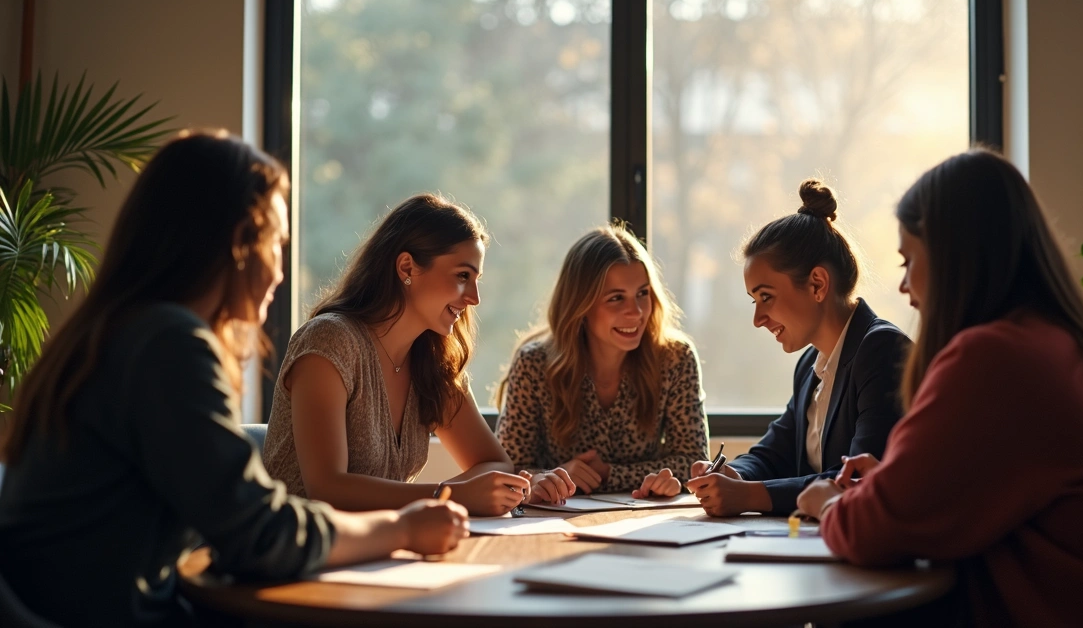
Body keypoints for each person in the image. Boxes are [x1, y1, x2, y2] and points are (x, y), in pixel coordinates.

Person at [0, 131, 468, 627]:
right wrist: (401, 529)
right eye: (276, 245)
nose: (280, 272)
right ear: (239, 243)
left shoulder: (117, 330)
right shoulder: (168, 343)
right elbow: (257, 534)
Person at [796, 149, 1083, 626]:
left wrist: (828, 503)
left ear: (952, 257)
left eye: (909, 261)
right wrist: (895, 477)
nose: (904, 286)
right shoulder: (1058, 345)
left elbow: (876, 531)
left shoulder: (995, 359)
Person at [262, 194, 530, 517]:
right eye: (462, 276)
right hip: (301, 555)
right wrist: (450, 496)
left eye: (476, 280)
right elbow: (327, 489)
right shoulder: (330, 341)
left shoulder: (434, 360)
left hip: (380, 551)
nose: (474, 298)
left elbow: (496, 463)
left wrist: (480, 493)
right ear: (407, 267)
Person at [686, 179, 909, 517]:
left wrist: (748, 496)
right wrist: (734, 474)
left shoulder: (882, 350)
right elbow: (773, 453)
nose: (758, 318)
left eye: (766, 297)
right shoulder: (810, 364)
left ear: (817, 284)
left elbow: (859, 478)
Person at [494, 226, 709, 502]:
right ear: (580, 306)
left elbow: (696, 463)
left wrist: (611, 474)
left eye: (642, 294)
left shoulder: (675, 359)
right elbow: (509, 469)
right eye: (616, 298)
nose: (637, 312)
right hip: (555, 522)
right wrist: (549, 476)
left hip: (644, 522)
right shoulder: (534, 364)